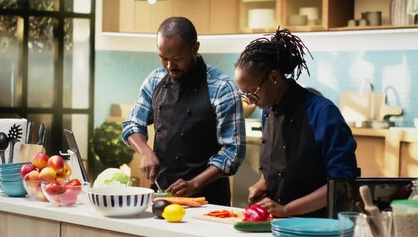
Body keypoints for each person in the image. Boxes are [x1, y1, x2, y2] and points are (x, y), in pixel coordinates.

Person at [234, 28, 359, 217]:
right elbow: (281, 162)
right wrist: (264, 182)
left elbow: (342, 183)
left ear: (274, 78)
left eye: (252, 92)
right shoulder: (268, 109)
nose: (250, 101)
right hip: (279, 221)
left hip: (317, 223)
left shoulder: (322, 112)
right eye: (245, 94)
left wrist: (287, 209)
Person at [122, 17, 246, 206]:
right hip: (161, 195)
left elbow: (233, 153)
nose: (170, 66)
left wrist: (195, 183)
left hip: (207, 200)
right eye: (164, 59)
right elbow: (132, 124)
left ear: (194, 48)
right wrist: (145, 151)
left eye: (177, 59)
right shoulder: (154, 81)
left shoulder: (222, 87)